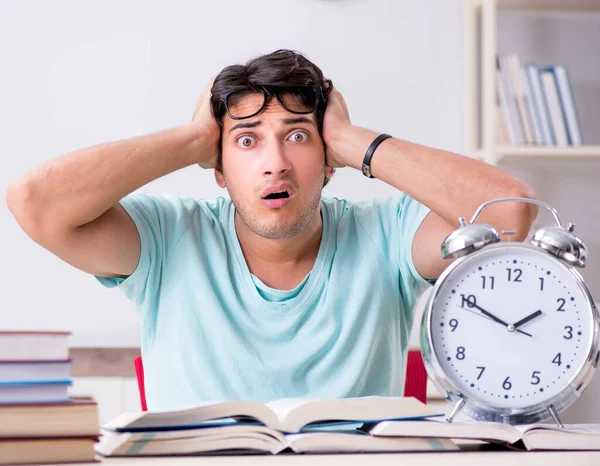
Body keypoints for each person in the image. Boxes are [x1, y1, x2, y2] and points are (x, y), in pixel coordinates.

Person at [6, 49, 537, 411]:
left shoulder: (388, 236)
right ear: (217, 168)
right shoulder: (167, 239)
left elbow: (509, 212)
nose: (275, 163)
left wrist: (353, 140)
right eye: (246, 141)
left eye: (299, 136)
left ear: (330, 161)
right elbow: (34, 202)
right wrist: (193, 138)